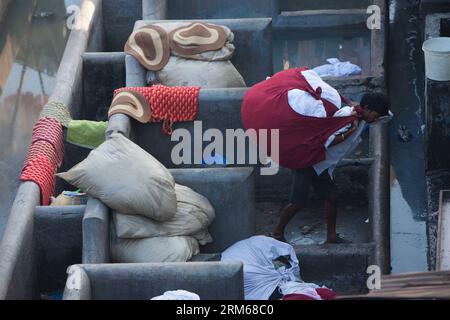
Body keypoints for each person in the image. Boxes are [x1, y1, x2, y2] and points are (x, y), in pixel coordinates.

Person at [241, 67, 390, 244]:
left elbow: (380, 115)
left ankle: (331, 236)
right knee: (298, 202)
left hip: (321, 164)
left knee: (331, 197)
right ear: (366, 109)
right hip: (308, 162)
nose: (376, 118)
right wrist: (348, 132)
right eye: (375, 114)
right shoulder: (349, 120)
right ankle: (277, 231)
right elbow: (326, 141)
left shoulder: (356, 115)